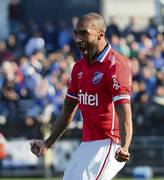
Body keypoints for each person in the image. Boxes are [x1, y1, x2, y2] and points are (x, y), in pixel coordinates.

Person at [30, 12, 133, 180]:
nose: (78, 39)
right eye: (76, 33)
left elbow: (124, 111)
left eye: (84, 33)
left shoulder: (116, 65)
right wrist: (47, 143)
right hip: (87, 143)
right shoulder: (79, 67)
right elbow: (67, 111)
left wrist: (125, 146)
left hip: (109, 143)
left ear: (100, 33)